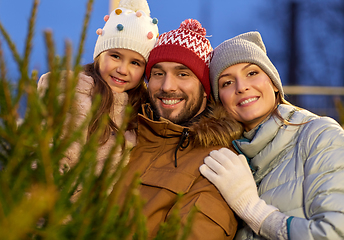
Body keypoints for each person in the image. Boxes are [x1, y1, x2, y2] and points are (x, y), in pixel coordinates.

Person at [199, 31, 344, 240]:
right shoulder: (230, 158)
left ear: (274, 82)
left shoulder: (320, 135)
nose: (242, 87)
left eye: (251, 73)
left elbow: (334, 233)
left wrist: (255, 211)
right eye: (227, 83)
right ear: (220, 101)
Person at [119, 19, 243, 239]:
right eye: (158, 73)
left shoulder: (216, 162)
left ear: (205, 89)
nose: (167, 86)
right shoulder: (125, 134)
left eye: (182, 74)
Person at [37, 0, 159, 179]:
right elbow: (48, 158)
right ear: (99, 54)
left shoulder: (141, 111)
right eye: (115, 56)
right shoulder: (73, 95)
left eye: (135, 63)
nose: (123, 70)